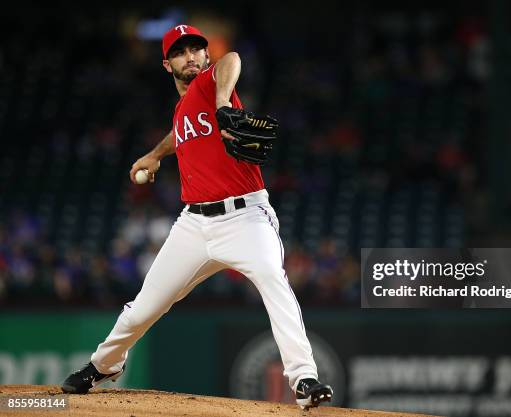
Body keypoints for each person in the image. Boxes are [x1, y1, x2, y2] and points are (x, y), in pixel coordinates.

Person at [62, 24, 333, 409]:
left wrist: (223, 101)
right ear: (166, 63)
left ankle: (304, 378)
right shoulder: (181, 109)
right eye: (180, 52)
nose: (190, 56)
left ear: (206, 57)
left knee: (273, 280)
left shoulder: (212, 81)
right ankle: (103, 365)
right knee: (144, 308)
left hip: (245, 217)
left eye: (196, 50)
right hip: (193, 223)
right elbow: (180, 133)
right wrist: (155, 154)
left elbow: (232, 60)